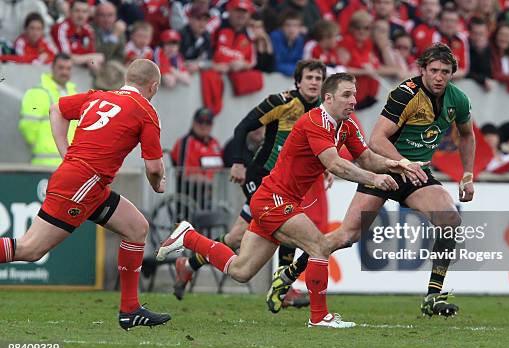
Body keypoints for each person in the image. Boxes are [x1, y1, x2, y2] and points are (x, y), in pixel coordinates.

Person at [157, 72, 421, 328]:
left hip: (277, 199)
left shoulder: (347, 125)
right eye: (347, 95)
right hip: (274, 198)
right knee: (319, 246)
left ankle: (188, 237)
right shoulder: (315, 120)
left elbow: (366, 158)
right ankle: (319, 317)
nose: (353, 100)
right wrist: (374, 179)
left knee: (240, 271)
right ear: (328, 98)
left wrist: (395, 164)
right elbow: (335, 164)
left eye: (355, 95)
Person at [266, 43, 475, 318]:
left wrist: (468, 175)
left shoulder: (457, 100)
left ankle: (433, 296)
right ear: (422, 69)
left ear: (452, 74)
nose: (439, 76)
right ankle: (289, 274)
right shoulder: (405, 94)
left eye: (445, 72)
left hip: (417, 173)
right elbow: (377, 139)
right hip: (384, 169)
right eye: (433, 70)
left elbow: (467, 135)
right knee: (346, 236)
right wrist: (402, 163)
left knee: (449, 220)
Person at [0, 59, 170, 330]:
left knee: (137, 228)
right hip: (82, 183)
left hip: (90, 185)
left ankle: (130, 310)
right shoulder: (145, 110)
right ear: (154, 86)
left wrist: (65, 153)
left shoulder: (99, 97)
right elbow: (153, 167)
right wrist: (158, 183)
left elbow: (57, 109)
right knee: (30, 249)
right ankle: (129, 308)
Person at [171, 60, 327, 309]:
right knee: (285, 222)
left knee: (235, 238)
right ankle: (284, 288)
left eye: (318, 78)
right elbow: (242, 127)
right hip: (260, 177)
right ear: (298, 81)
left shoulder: (321, 111)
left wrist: (325, 168)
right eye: (309, 77)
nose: (313, 82)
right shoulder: (282, 102)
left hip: (284, 184)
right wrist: (238, 162)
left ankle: (188, 263)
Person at [20, 53, 77, 167]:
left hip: (70, 165)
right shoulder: (38, 92)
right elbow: (28, 126)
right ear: (52, 68)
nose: (64, 72)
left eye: (68, 68)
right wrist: (42, 146)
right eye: (61, 68)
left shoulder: (73, 94)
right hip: (45, 163)